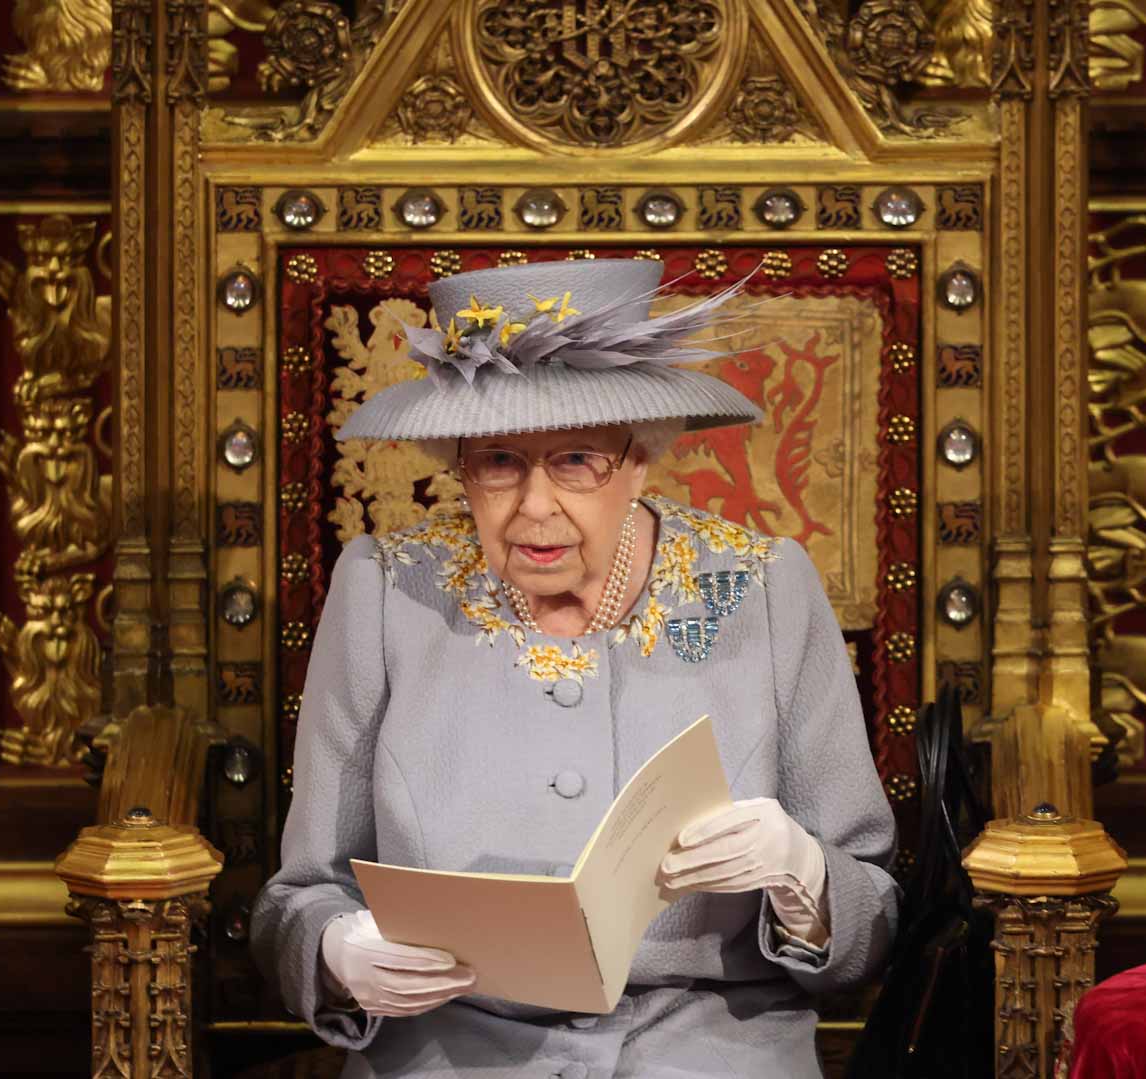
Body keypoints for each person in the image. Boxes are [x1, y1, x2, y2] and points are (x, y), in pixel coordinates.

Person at [251, 258, 899, 1078]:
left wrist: (805, 877)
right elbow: (296, 898)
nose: (534, 507)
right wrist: (336, 951)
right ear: (458, 464)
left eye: (577, 460)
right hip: (454, 1052)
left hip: (709, 1047)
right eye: (497, 462)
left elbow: (872, 917)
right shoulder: (387, 590)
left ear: (639, 460)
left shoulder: (763, 585)